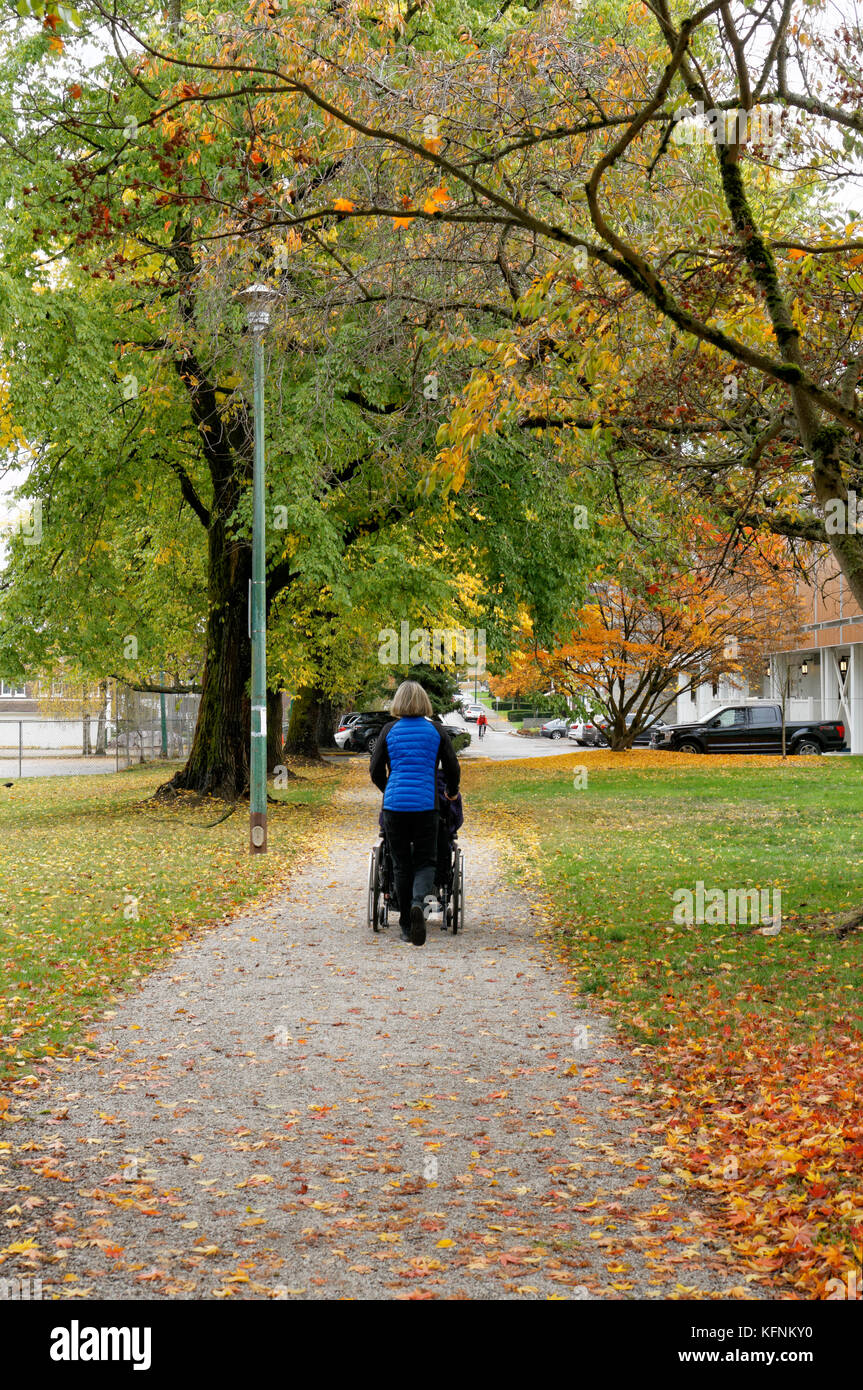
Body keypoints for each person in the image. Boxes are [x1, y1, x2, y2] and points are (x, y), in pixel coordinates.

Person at [370, 681, 461, 945]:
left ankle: (407, 927)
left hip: (395, 807)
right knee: (426, 862)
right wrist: (451, 793)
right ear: (424, 703)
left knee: (400, 863)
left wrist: (389, 789)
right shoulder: (436, 730)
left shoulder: (389, 730)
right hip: (425, 805)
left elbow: (375, 770)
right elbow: (452, 768)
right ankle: (418, 904)